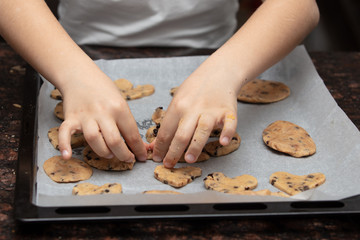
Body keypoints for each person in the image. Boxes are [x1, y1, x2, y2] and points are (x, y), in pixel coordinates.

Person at [0, 0, 319, 168]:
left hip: (228, 54)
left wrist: (224, 73)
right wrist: (73, 74)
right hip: (66, 50)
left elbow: (300, 5)